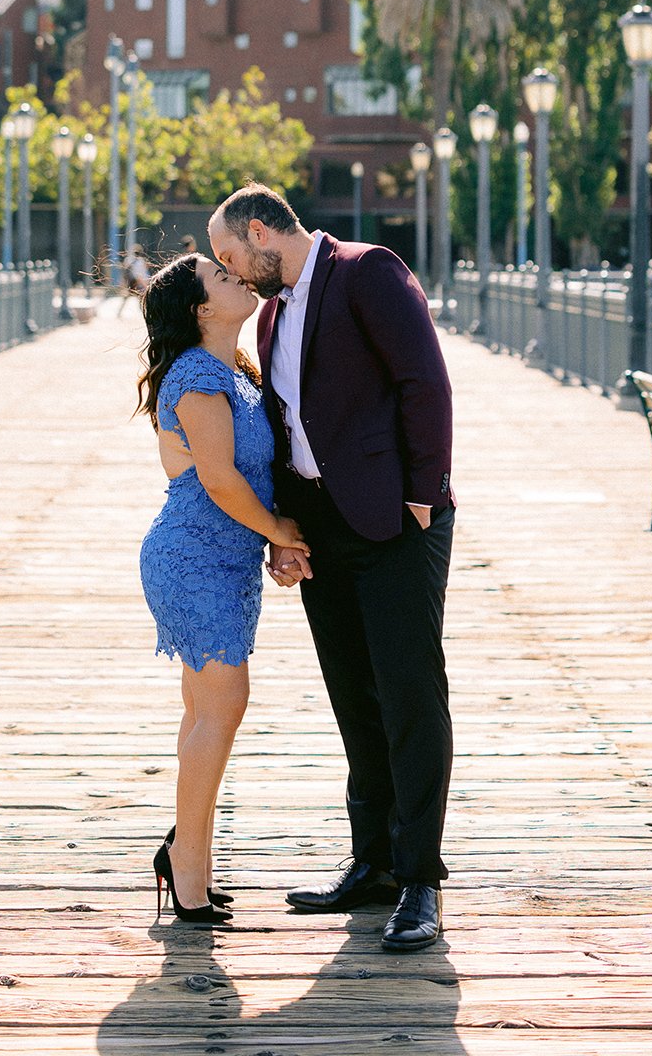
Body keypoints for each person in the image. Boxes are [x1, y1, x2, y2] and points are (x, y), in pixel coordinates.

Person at [208, 183, 454, 954]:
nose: (230, 272)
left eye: (228, 257)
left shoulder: (367, 270)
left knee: (410, 694)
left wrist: (423, 495)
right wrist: (287, 532)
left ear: (260, 231)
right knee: (355, 697)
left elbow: (426, 383)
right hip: (324, 530)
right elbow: (289, 428)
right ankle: (374, 862)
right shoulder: (277, 308)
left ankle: (420, 881)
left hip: (395, 524)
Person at [136, 252, 310, 925]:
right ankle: (187, 868)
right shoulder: (199, 376)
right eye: (221, 277)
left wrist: (270, 536)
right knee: (222, 705)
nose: (239, 277)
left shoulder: (236, 370)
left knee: (206, 711)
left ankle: (189, 855)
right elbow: (218, 479)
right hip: (192, 559)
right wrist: (281, 534)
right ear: (200, 308)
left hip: (225, 560)